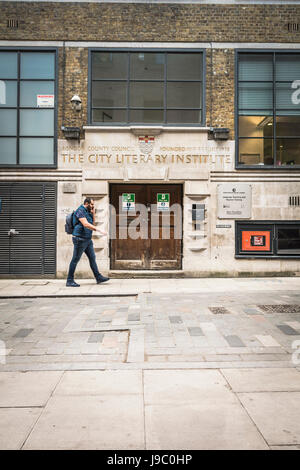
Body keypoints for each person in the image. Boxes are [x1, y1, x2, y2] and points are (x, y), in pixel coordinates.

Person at [66, 197, 109, 287]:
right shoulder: (80, 211)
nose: (93, 206)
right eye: (92, 204)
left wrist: (93, 214)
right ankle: (69, 280)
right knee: (75, 259)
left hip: (87, 239)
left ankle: (98, 277)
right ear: (86, 203)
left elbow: (92, 223)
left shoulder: (87, 211)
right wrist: (99, 230)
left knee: (92, 258)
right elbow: (85, 224)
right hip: (80, 239)